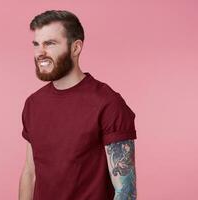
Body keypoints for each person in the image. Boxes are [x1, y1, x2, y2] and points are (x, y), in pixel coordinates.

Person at [18, 10, 137, 200]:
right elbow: (30, 174)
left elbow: (125, 191)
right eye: (36, 44)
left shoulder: (108, 103)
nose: (40, 53)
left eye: (50, 44)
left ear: (76, 48)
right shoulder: (33, 104)